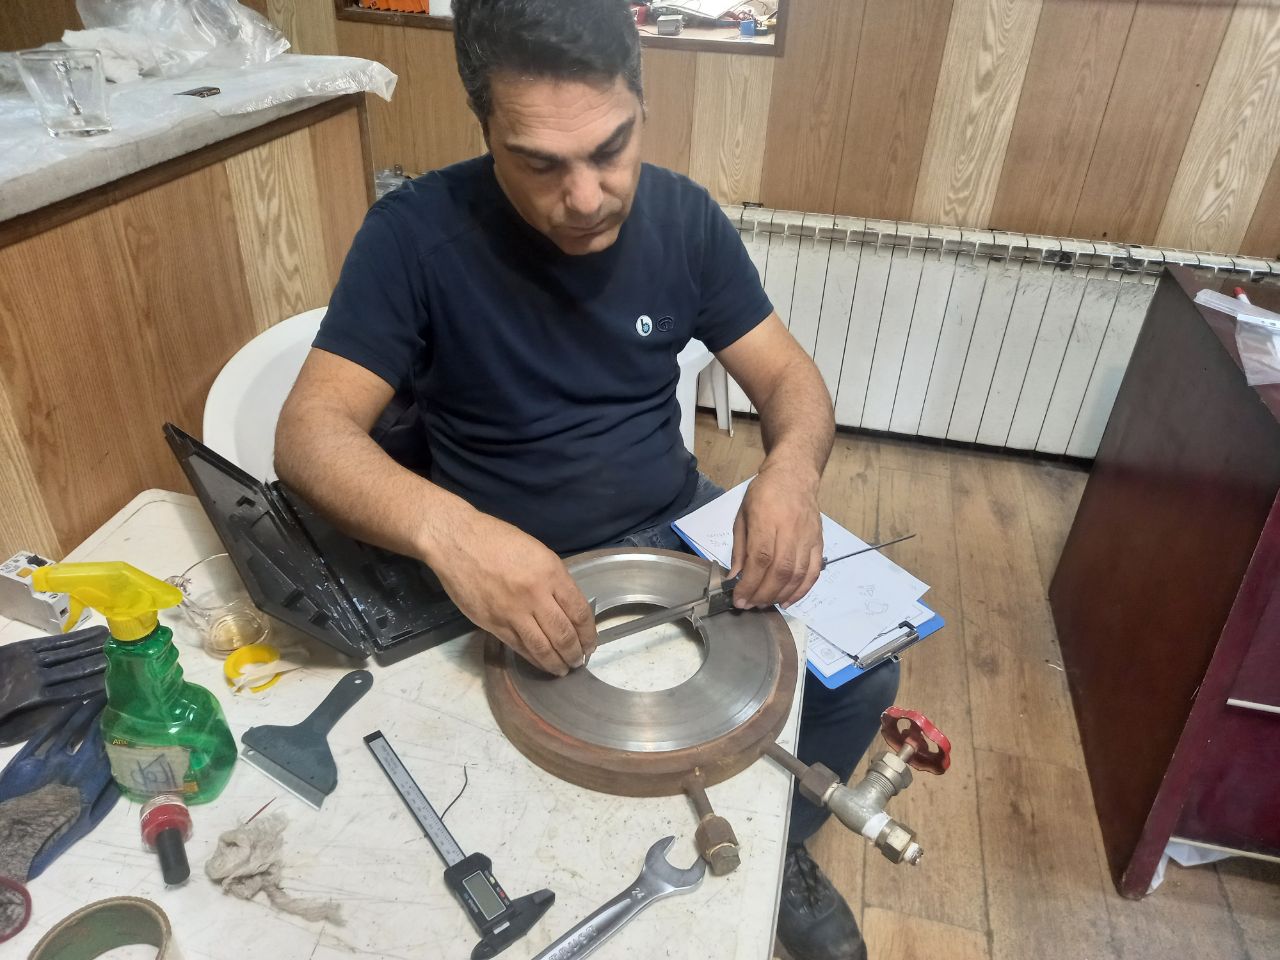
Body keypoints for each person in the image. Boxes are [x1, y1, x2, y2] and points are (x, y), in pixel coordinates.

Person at [274, 1, 897, 957]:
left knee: (862, 671)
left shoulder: (685, 219)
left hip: (672, 523)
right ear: (485, 127)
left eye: (611, 149)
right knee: (503, 773)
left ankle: (784, 849)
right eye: (539, 164)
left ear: (641, 101)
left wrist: (790, 473)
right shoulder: (414, 235)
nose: (586, 196)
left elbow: (788, 379)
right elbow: (310, 434)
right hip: (505, 559)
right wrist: (451, 534)